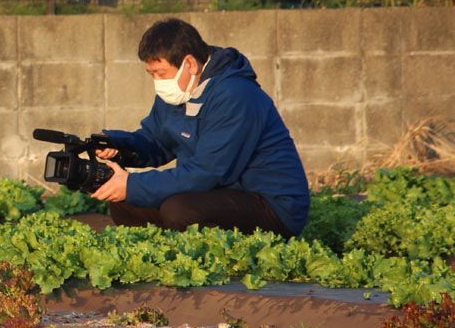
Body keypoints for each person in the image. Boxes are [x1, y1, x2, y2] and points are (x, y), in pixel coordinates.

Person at [90, 17, 309, 237]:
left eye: (161, 74)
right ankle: (161, 255)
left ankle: (217, 262)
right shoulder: (178, 92)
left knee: (178, 209)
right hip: (219, 193)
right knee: (123, 200)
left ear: (190, 64)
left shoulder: (236, 94)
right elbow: (156, 141)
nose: (158, 82)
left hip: (270, 206)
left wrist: (132, 185)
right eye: (152, 74)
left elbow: (208, 172)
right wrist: (117, 145)